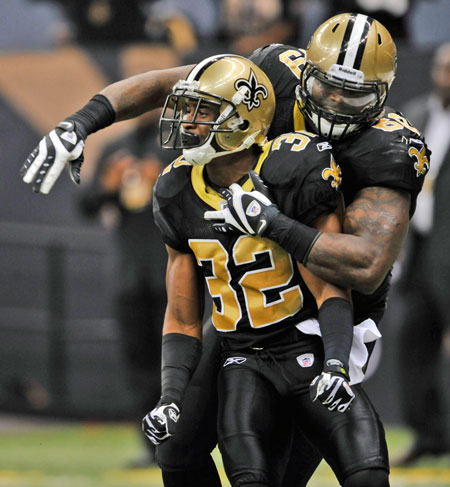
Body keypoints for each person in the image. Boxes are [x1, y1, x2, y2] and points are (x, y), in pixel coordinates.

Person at [20, 12, 429, 487]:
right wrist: (81, 123)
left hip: (330, 316)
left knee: (279, 472)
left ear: (381, 95)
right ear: (305, 74)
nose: (336, 104)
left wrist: (273, 224)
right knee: (176, 446)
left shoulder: (389, 146)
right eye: (325, 88)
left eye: (354, 94)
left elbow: (367, 265)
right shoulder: (275, 77)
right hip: (253, 304)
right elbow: (172, 85)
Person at [142, 53, 388, 487]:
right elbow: (181, 316)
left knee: (366, 471)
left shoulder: (291, 168)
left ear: (244, 117)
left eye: (204, 110)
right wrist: (170, 396)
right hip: (243, 356)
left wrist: (335, 362)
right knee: (197, 458)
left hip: (305, 342)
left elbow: (330, 284)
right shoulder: (176, 189)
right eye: (187, 109)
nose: (189, 122)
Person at [76, 111, 171, 467]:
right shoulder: (116, 147)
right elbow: (86, 206)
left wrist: (164, 182)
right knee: (139, 363)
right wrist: (107, 186)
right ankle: (153, 448)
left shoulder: (177, 146)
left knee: (178, 362)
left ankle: (188, 443)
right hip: (129, 274)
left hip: (171, 274)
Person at [393, 41, 450, 466]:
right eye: (443, 67)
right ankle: (427, 435)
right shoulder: (415, 113)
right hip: (419, 250)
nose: (446, 75)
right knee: (413, 343)